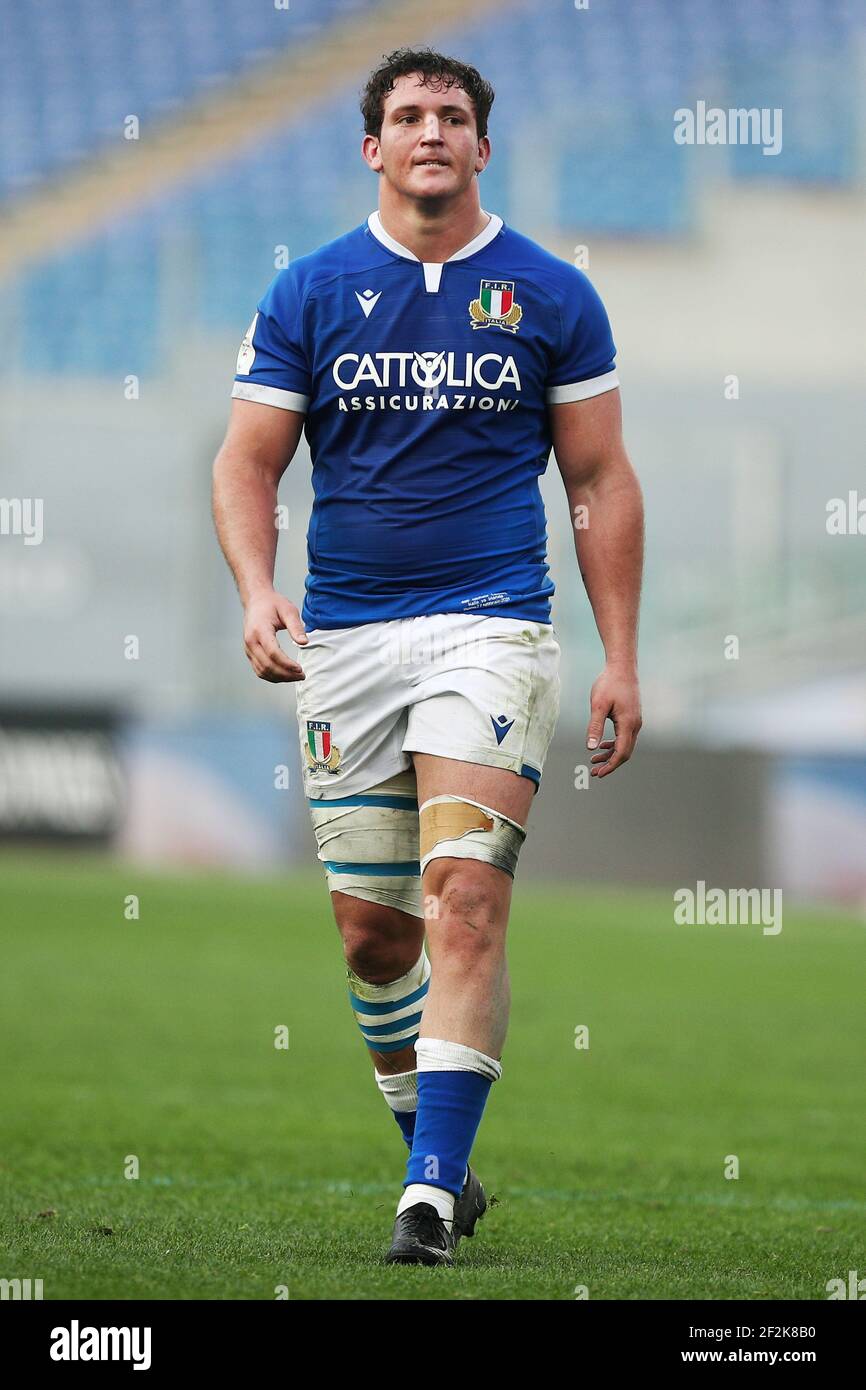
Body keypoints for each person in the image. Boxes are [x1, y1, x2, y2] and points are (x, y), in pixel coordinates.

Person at [212, 46, 644, 1266]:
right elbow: (246, 461)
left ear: (481, 147)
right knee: (374, 938)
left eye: (452, 115)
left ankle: (425, 1194)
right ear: (373, 148)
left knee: (464, 900)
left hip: (491, 627)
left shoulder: (551, 293)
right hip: (344, 641)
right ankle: (437, 1152)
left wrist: (618, 656)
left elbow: (599, 478)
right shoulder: (308, 291)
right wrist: (257, 592)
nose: (430, 132)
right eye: (407, 116)